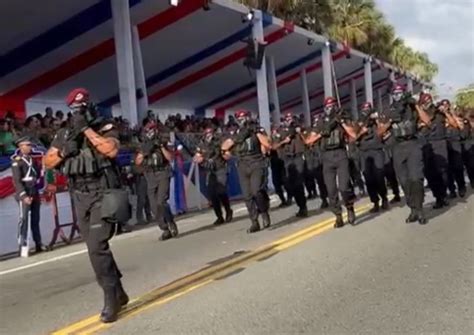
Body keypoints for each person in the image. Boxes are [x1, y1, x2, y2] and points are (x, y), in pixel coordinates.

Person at [43, 88, 129, 323]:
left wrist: (86, 130)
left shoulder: (105, 126)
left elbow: (110, 150)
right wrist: (63, 151)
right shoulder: (64, 133)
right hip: (80, 195)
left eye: (82, 107)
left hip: (103, 192)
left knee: (96, 246)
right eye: (74, 108)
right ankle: (119, 291)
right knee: (95, 246)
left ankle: (110, 297)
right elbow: (47, 161)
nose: (78, 111)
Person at [378, 84, 431, 224]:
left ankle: (419, 209)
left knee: (416, 178)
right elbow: (379, 131)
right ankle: (413, 208)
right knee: (404, 181)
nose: (398, 95)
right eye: (395, 93)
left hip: (413, 144)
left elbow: (427, 121)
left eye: (400, 92)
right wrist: (390, 121)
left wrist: (417, 106)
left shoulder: (411, 107)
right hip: (397, 147)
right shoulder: (388, 110)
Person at [305, 97, 357, 227]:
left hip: (340, 154)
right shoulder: (321, 122)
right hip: (327, 157)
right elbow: (309, 140)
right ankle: (338, 215)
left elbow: (354, 135)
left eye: (332, 106)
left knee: (344, 187)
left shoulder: (341, 119)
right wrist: (322, 133)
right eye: (328, 107)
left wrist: (342, 122)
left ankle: (350, 207)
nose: (330, 109)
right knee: (331, 189)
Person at [221, 110, 272, 233]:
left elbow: (267, 144)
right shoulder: (236, 133)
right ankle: (254, 221)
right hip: (242, 164)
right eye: (239, 118)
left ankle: (264, 211)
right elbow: (224, 147)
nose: (241, 120)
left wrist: (257, 134)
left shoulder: (256, 129)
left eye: (243, 117)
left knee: (257, 191)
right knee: (247, 195)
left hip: (256, 162)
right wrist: (230, 148)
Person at [135, 120, 178, 240]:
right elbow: (138, 161)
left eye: (152, 129)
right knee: (154, 205)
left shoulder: (163, 140)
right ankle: (164, 228)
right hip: (150, 174)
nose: (150, 132)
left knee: (161, 201)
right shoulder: (143, 143)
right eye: (148, 130)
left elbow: (170, 158)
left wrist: (160, 146)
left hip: (163, 172)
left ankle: (170, 222)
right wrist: (145, 151)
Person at [418, 93, 459, 209]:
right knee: (430, 174)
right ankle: (438, 197)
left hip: (439, 142)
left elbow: (454, 124)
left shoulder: (439, 112)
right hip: (426, 144)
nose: (428, 103)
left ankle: (445, 193)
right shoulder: (419, 114)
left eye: (429, 100)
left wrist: (446, 112)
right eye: (425, 101)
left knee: (443, 171)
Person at [11, 136, 49, 255]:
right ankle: (23, 245)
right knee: (24, 220)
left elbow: (36, 175)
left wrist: (42, 170)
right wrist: (23, 195)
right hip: (25, 192)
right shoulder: (17, 161)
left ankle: (38, 243)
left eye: (30, 145)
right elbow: (17, 181)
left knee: (35, 220)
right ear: (21, 147)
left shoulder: (32, 160)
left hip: (34, 192)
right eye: (27, 145)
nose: (30, 147)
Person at [194, 127, 233, 225]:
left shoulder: (219, 141)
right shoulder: (201, 144)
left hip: (220, 168)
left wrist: (225, 154)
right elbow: (197, 157)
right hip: (209, 171)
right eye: (207, 133)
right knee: (212, 195)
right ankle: (219, 216)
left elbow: (227, 153)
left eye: (210, 133)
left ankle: (228, 210)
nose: (209, 135)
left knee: (221, 191)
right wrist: (199, 159)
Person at [273, 112, 307, 217]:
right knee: (289, 183)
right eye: (287, 119)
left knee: (298, 183)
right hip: (287, 159)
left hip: (297, 157)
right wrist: (284, 141)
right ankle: (297, 203)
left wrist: (300, 132)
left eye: (291, 119)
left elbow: (308, 140)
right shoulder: (281, 131)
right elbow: (274, 146)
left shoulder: (300, 129)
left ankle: (303, 207)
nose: (289, 121)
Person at [356, 102, 389, 212]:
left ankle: (384, 198)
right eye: (364, 109)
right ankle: (375, 202)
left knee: (379, 176)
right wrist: (362, 130)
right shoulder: (359, 122)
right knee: (368, 178)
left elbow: (383, 131)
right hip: (364, 152)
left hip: (376, 150)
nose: (366, 110)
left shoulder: (376, 119)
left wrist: (376, 120)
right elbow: (353, 137)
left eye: (368, 108)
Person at [443, 100, 466, 198]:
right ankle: (452, 189)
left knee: (458, 167)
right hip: (445, 143)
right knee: (447, 169)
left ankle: (461, 186)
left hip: (455, 142)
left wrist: (450, 113)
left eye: (446, 105)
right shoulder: (440, 117)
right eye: (443, 105)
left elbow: (459, 125)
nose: (445, 107)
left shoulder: (455, 115)